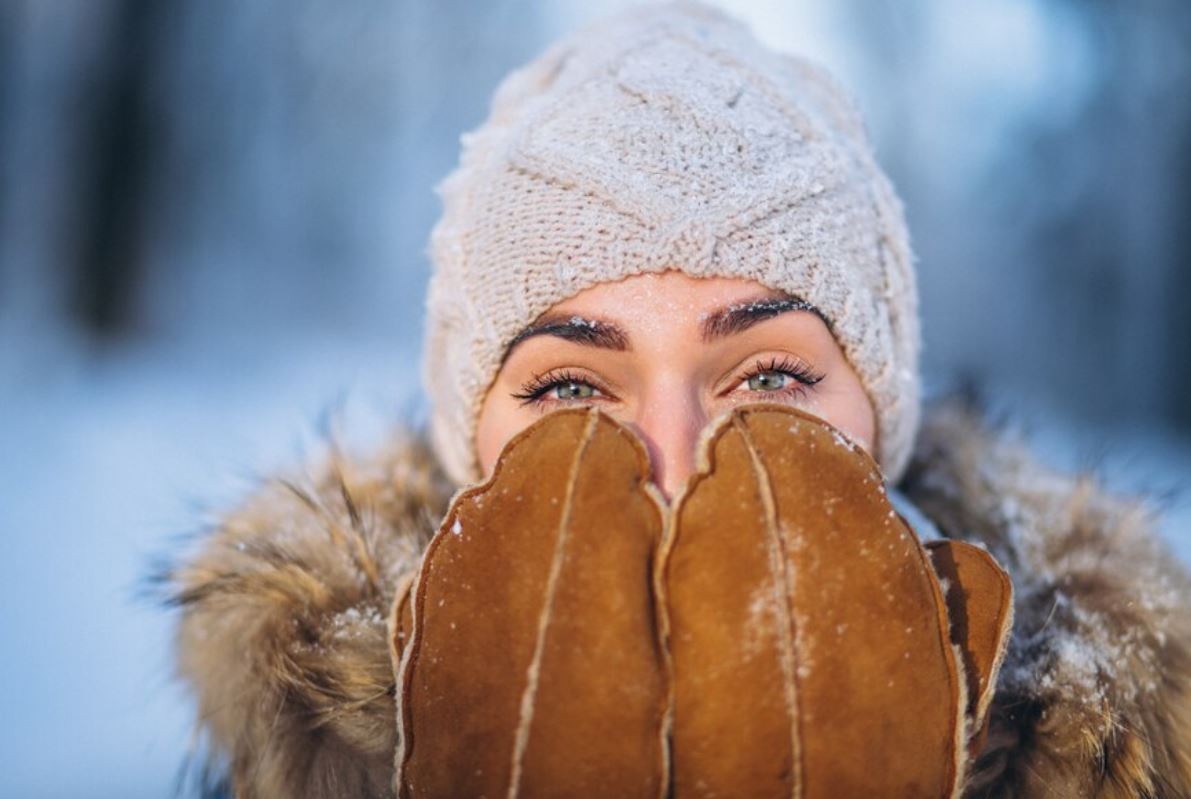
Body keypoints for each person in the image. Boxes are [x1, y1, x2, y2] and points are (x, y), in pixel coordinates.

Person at [162, 2, 1191, 797]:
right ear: (464, 440)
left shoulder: (1116, 747)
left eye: (772, 378)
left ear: (883, 421)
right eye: (570, 387)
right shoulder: (308, 752)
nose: (675, 464)